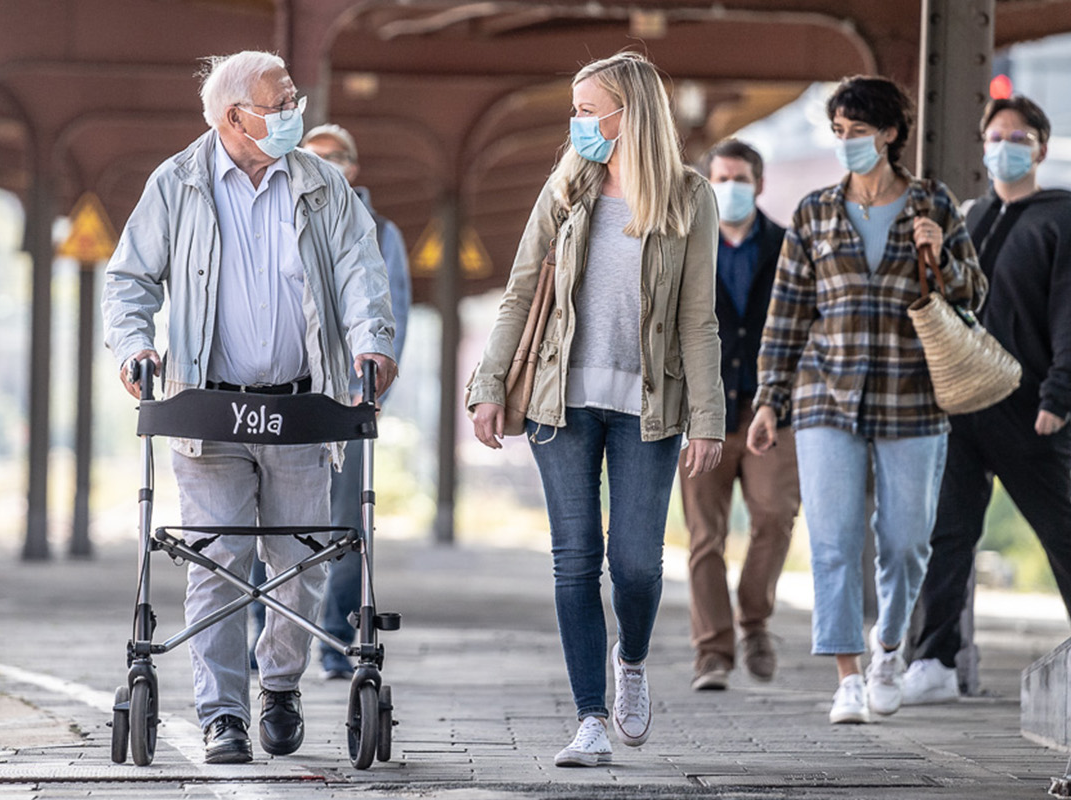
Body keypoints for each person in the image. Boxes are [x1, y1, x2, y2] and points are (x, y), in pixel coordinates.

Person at [102, 50, 398, 765]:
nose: (295, 110)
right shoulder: (177, 183)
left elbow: (363, 273)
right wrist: (132, 345)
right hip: (209, 411)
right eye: (281, 101)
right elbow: (130, 279)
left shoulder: (326, 186)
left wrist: (374, 342)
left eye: (293, 98)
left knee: (302, 563)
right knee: (218, 562)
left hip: (303, 406)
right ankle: (223, 714)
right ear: (235, 116)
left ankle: (282, 686)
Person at [466, 51, 724, 767]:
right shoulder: (566, 189)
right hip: (560, 403)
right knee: (575, 560)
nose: (576, 124)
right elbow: (521, 292)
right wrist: (488, 385)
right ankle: (588, 720)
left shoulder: (688, 197)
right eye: (575, 110)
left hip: (651, 406)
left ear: (627, 114)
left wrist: (709, 416)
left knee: (636, 565)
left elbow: (698, 320)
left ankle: (630, 661)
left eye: (587, 111)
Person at [744, 75, 984, 725]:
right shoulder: (815, 213)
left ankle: (887, 652)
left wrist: (943, 255)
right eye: (838, 133)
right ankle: (848, 676)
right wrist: (771, 400)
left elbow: (972, 294)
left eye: (858, 133)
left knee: (906, 542)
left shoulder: (933, 204)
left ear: (890, 134)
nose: (846, 144)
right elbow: (788, 313)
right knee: (834, 538)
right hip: (827, 395)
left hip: (913, 396)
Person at [901, 95, 1071, 705]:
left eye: (1018, 137)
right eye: (994, 137)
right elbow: (953, 305)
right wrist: (933, 249)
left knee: (1059, 530)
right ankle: (933, 659)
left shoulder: (1065, 217)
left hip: (1030, 403)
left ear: (1041, 147)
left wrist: (1063, 394)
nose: (1004, 148)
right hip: (963, 401)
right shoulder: (973, 214)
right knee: (949, 531)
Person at [678, 139, 802, 692]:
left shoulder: (789, 246)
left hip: (771, 409)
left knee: (774, 515)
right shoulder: (684, 241)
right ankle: (713, 651)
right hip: (702, 409)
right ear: (706, 184)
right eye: (721, 178)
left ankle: (754, 620)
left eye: (741, 178)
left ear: (760, 183)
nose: (731, 188)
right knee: (705, 535)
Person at [300, 123, 413, 681]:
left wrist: (371, 389)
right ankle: (262, 634)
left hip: (347, 400)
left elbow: (392, 313)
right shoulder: (284, 215)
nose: (324, 166)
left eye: (335, 158)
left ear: (353, 168)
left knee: (346, 525)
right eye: (312, 157)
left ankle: (335, 639)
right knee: (266, 521)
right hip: (290, 399)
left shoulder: (381, 231)